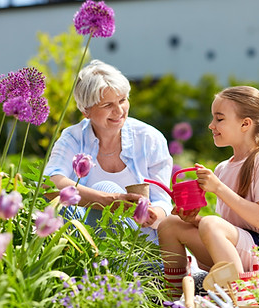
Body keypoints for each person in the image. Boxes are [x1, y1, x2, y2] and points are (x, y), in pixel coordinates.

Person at [158, 86, 259, 299]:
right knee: (170, 224)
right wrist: (194, 220)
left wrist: (218, 189)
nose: (211, 125)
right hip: (239, 254)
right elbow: (231, 228)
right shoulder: (223, 168)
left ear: (245, 124)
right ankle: (176, 298)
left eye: (219, 119)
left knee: (210, 223)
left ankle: (242, 298)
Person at [44, 59, 173, 243]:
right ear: (85, 111)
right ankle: (94, 266)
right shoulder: (72, 138)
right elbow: (51, 183)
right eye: (107, 105)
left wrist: (154, 214)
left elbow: (163, 201)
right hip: (87, 243)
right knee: (68, 202)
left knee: (101, 189)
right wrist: (109, 200)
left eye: (122, 100)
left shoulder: (149, 138)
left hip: (140, 245)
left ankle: (119, 269)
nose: (119, 110)